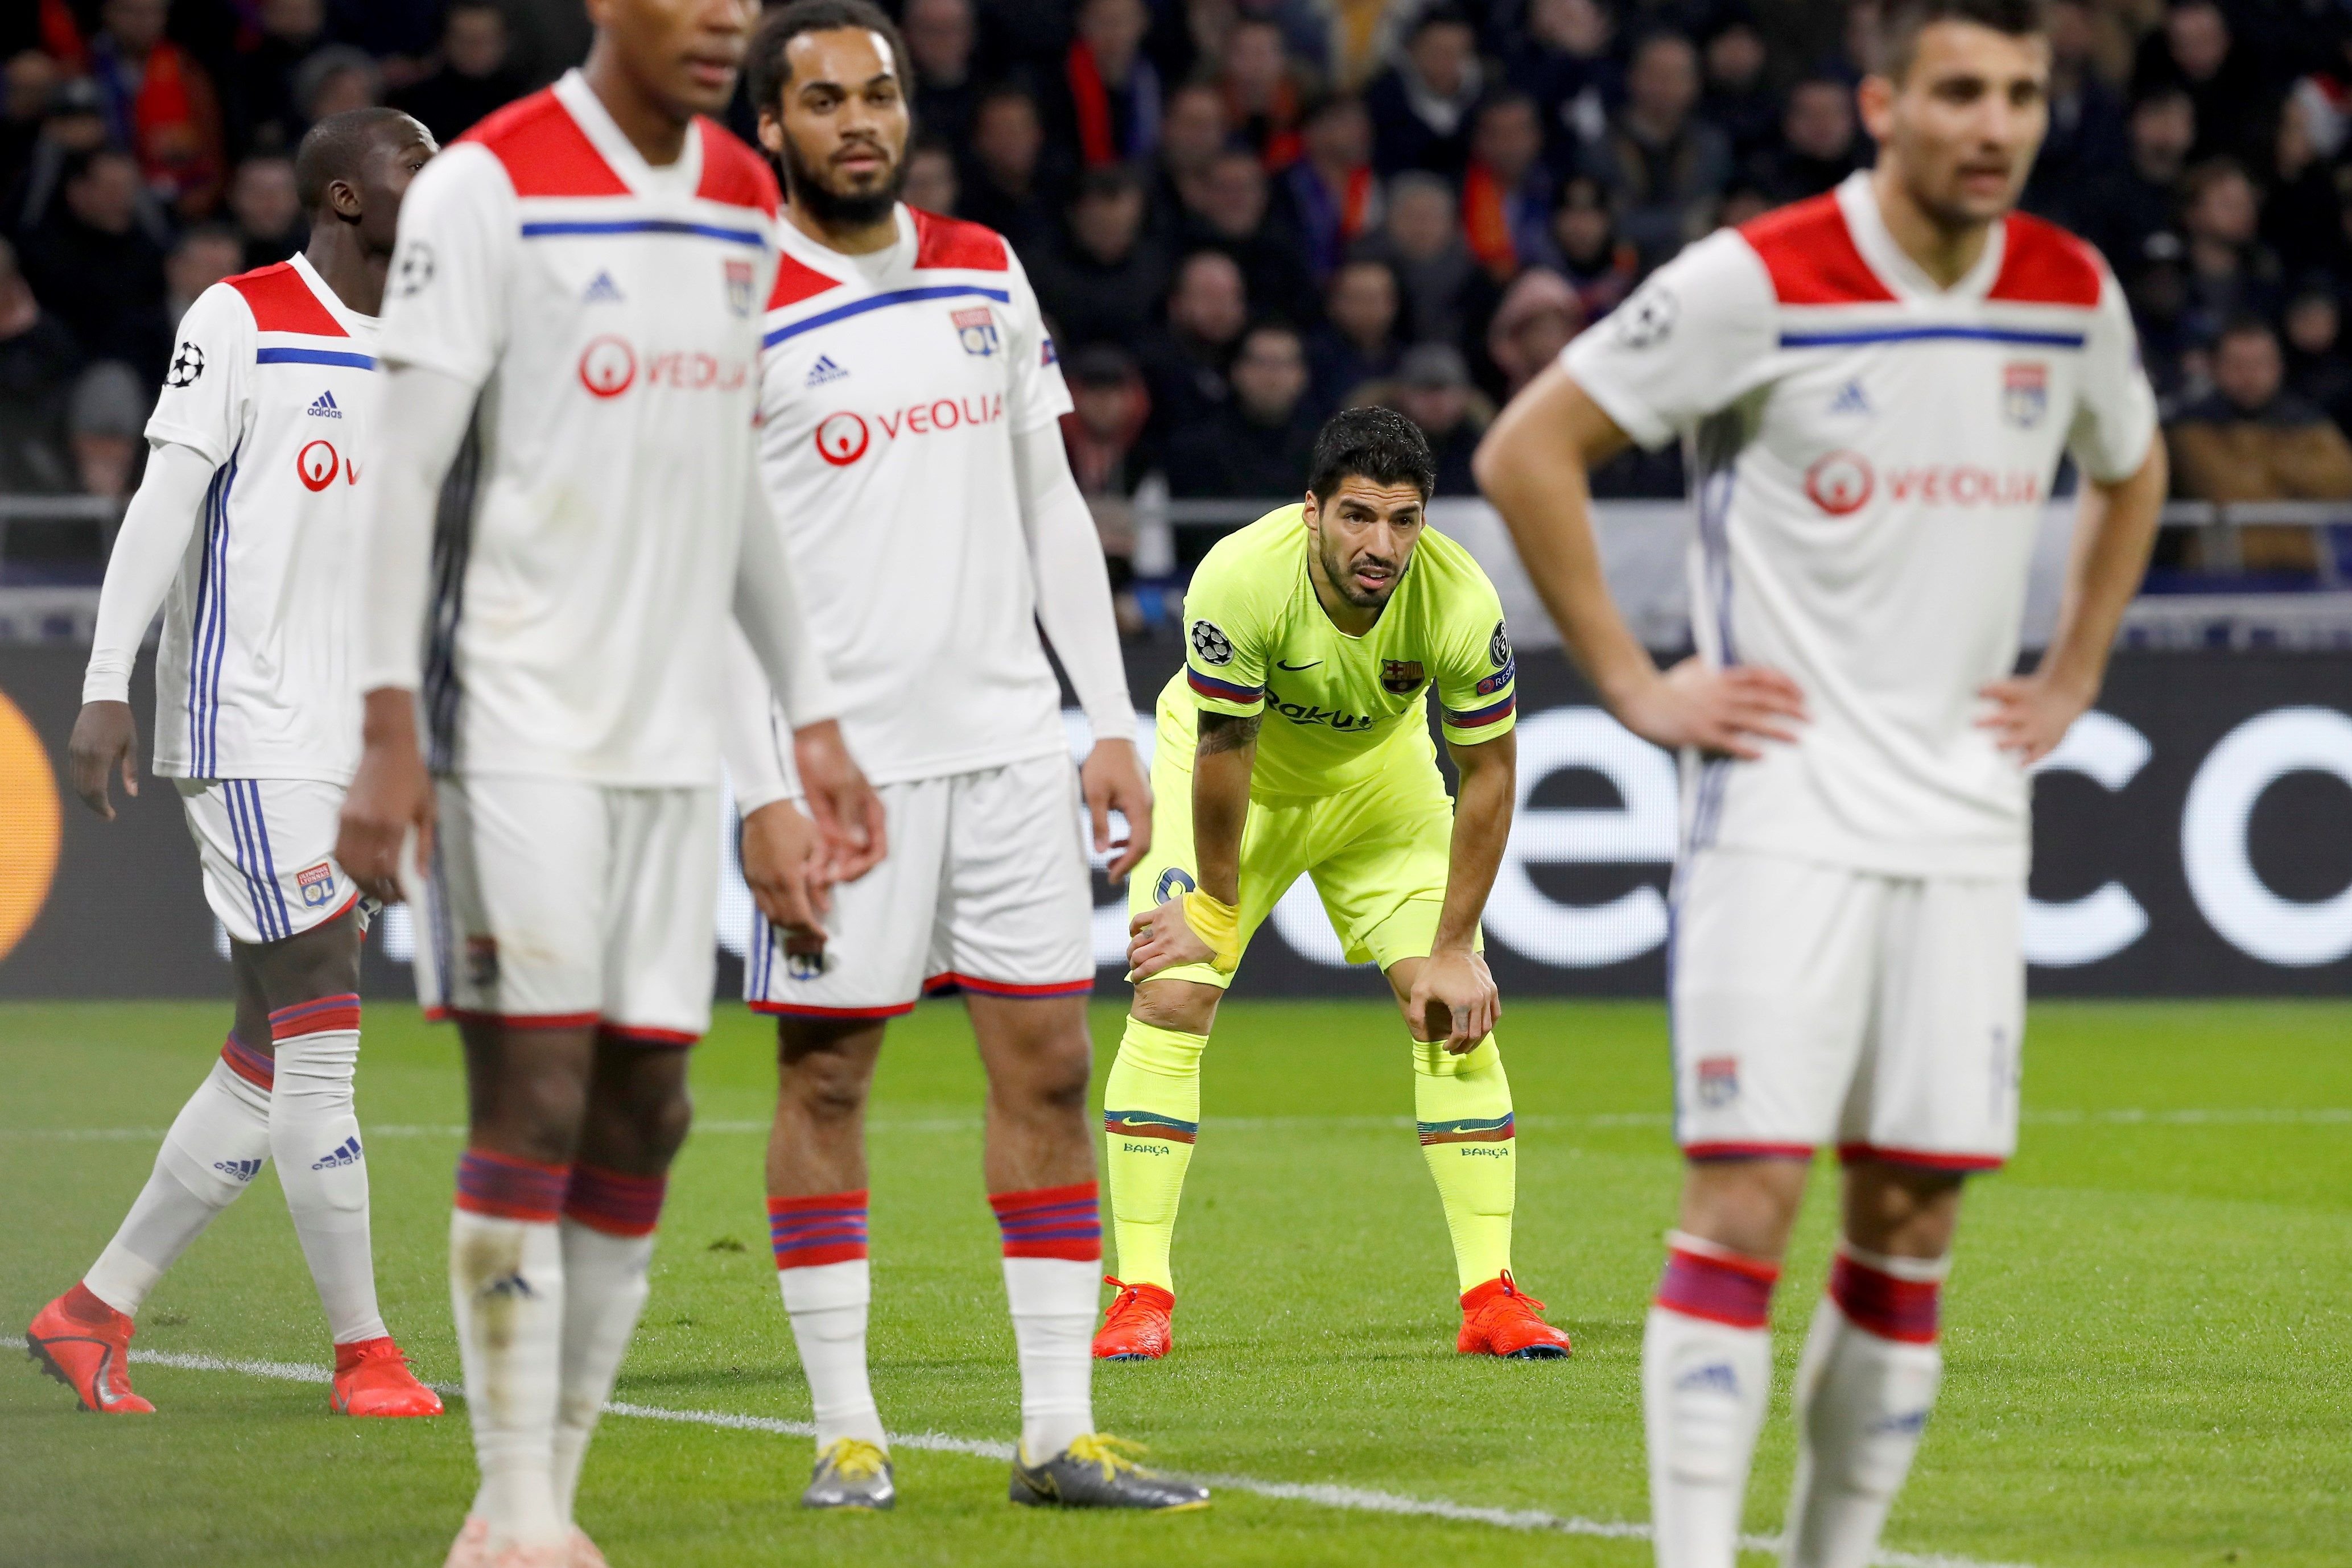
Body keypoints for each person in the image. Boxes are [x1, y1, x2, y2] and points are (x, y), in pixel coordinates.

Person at [1472, 4, 2168, 1565]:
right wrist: (1639, 682)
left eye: (2019, 95)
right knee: (1747, 1193)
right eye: (1958, 92)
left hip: (1965, 820)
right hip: (1777, 813)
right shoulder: (1757, 275)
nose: (1991, 125)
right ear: (1880, 103)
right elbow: (1530, 448)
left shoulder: (2066, 291)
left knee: (1912, 1215)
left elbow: (2132, 467)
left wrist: (2069, 673)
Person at [329, 2, 886, 1561]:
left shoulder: (728, 185)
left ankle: (541, 1496)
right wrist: (386, 726)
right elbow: (404, 464)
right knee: (540, 1084)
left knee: (648, 1101)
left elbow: (737, 480)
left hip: (663, 738)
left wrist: (811, 715)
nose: (723, 14)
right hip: (508, 716)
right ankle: (513, 1508)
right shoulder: (485, 184)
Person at [727, 1, 1205, 1514]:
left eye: (877, 95)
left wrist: (1108, 719)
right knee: (827, 1073)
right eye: (823, 100)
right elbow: (708, 585)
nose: (857, 120)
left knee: (1052, 1065)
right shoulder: (732, 306)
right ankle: (846, 1430)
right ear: (771, 128)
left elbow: (1049, 505)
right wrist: (761, 788)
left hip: (1007, 745)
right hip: (839, 773)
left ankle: (1056, 1433)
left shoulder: (984, 267)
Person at [24, 108, 445, 1425]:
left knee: (269, 1047)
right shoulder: (243, 315)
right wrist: (106, 683)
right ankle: (364, 1351)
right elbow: (165, 497)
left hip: (355, 741)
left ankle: (89, 1313)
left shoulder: (437, 342)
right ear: (341, 193)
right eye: (409, 170)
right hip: (244, 725)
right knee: (324, 1025)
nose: (430, 191)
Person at [1097, 406, 1572, 1366]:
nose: (1380, 544)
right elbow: (1226, 752)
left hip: (1378, 787)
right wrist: (1215, 911)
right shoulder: (1238, 577)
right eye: (1357, 516)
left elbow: (1489, 773)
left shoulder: (1458, 600)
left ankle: (1490, 1297)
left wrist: (1452, 947)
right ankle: (1138, 1293)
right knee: (1173, 996)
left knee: (1449, 1007)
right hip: (1237, 782)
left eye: (1402, 520)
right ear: (1310, 510)